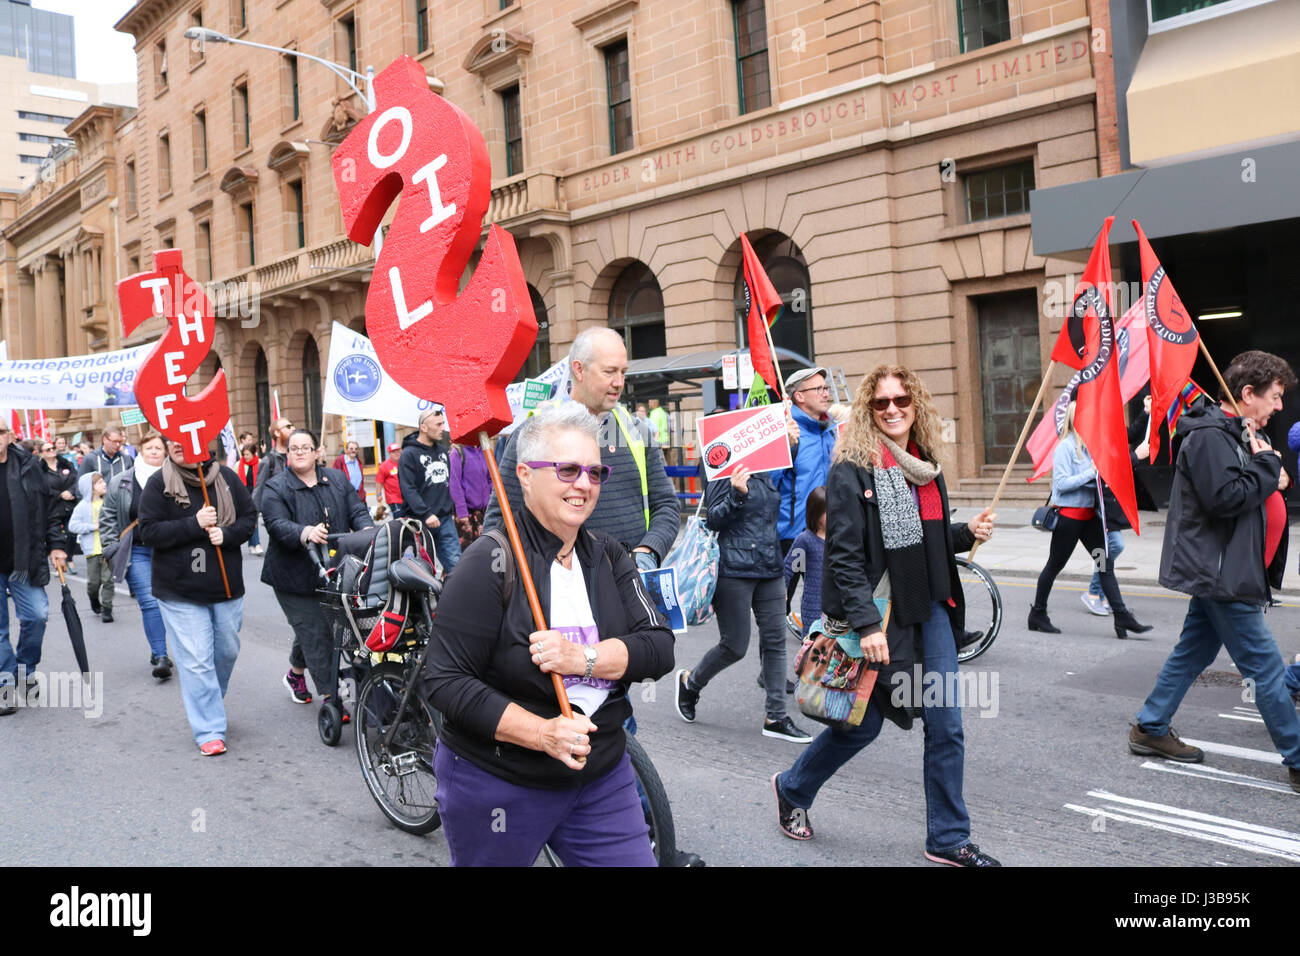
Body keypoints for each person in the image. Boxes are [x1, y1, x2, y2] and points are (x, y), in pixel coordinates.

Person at [770, 364, 1001, 866]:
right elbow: (845, 558)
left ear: (915, 405)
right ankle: (792, 787)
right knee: (861, 726)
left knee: (946, 725)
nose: (893, 409)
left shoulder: (924, 464)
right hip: (881, 618)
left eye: (902, 400)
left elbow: (928, 540)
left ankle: (947, 837)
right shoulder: (852, 470)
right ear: (869, 412)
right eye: (881, 403)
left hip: (931, 612)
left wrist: (967, 533)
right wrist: (868, 627)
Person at [424, 403, 675, 866]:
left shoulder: (609, 555)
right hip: (500, 782)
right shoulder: (489, 563)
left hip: (601, 777)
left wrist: (582, 658)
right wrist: (543, 734)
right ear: (524, 475)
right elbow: (444, 680)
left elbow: (658, 647)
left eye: (594, 472)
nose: (583, 484)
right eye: (567, 469)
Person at [1130, 350, 1300, 793]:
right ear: (1247, 394)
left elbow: (1249, 489)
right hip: (1223, 575)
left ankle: (1150, 726)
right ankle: (1298, 756)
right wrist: (1269, 467)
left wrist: (1270, 470)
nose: (1279, 407)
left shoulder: (1235, 433)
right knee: (1264, 667)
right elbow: (1225, 497)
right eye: (1275, 397)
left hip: (1230, 568)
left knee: (1194, 652)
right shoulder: (1209, 437)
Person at [484, 327, 681, 571]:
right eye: (609, 372)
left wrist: (649, 551)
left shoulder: (636, 431)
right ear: (579, 369)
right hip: (560, 590)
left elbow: (667, 505)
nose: (619, 382)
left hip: (629, 585)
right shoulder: (534, 432)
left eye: (623, 372)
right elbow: (500, 520)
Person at [674, 462, 814, 743]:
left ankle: (775, 716)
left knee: (775, 641)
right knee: (735, 645)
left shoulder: (766, 465)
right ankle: (690, 683)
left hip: (770, 568)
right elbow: (713, 519)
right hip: (734, 569)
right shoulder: (723, 464)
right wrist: (736, 494)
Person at [137, 439, 257, 755]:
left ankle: (208, 700)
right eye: (170, 442)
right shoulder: (159, 483)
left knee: (226, 652)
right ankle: (209, 729)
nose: (176, 446)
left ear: (201, 443)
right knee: (198, 662)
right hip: (180, 591)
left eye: (183, 440)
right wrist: (195, 524)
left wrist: (227, 534)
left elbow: (248, 518)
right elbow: (148, 532)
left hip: (226, 588)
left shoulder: (227, 479)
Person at [261, 428, 373, 710]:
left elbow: (356, 510)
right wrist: (304, 531)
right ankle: (331, 696)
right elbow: (276, 523)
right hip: (292, 577)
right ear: (287, 455)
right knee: (315, 630)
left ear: (317, 452)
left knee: (312, 627)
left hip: (333, 571)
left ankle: (295, 675)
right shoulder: (276, 487)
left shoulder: (335, 479)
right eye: (294, 448)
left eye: (305, 447)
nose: (299, 452)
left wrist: (367, 530)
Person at [1028, 402, 1151, 639]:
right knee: (1054, 566)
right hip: (1069, 519)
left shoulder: (1092, 447)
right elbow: (1061, 485)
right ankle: (1038, 614)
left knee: (1105, 565)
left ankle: (1121, 616)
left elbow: (1109, 469)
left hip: (1089, 519)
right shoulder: (1065, 447)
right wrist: (1092, 472)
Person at [0, 421, 67, 715]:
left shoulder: (29, 466)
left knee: (37, 615)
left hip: (23, 559)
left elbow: (50, 508)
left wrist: (56, 544)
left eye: (0, 431)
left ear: (11, 436)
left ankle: (27, 669)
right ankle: (5, 682)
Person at [101, 431, 172, 680]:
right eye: (148, 447)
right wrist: (112, 547)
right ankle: (161, 654)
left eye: (158, 448)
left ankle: (169, 647)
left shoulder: (176, 479)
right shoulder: (121, 481)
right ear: (140, 451)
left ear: (165, 453)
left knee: (172, 602)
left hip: (169, 551)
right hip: (137, 551)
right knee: (150, 602)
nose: (153, 451)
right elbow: (108, 516)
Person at [1083, 395, 1152, 616]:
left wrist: (1146, 412)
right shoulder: (1094, 434)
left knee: (1108, 549)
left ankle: (1100, 593)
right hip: (1098, 504)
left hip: (1108, 504)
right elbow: (1107, 467)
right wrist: (1135, 456)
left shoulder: (1109, 428)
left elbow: (1128, 434)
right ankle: (1094, 593)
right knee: (1111, 548)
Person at [775, 367, 838, 558]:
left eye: (826, 388)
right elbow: (766, 482)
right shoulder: (785, 431)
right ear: (800, 396)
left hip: (828, 530)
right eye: (818, 389)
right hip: (791, 535)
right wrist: (784, 447)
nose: (826, 393)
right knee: (785, 588)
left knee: (820, 588)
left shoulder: (831, 429)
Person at [398, 407, 460, 574]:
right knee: (423, 570)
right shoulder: (409, 454)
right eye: (438, 425)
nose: (443, 429)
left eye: (443, 424)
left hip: (445, 520)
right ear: (423, 427)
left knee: (457, 566)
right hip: (420, 522)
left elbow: (447, 484)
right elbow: (408, 489)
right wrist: (426, 513)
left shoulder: (442, 451)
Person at [68, 473, 114, 622]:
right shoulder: (82, 506)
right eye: (99, 482)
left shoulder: (108, 503)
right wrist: (92, 527)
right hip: (92, 550)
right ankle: (94, 599)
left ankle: (107, 609)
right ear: (90, 488)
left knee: (108, 580)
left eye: (103, 481)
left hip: (108, 548)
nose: (104, 484)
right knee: (94, 583)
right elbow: (72, 526)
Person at [783, 485, 827, 637]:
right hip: (813, 606)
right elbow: (790, 568)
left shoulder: (840, 538)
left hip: (836, 606)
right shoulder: (805, 540)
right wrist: (783, 589)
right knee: (812, 648)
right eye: (827, 512)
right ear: (815, 513)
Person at [40, 440, 78, 573]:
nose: (52, 451)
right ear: (41, 454)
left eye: (53, 448)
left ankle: (69, 558)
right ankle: (58, 558)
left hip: (70, 504)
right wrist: (60, 494)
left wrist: (71, 492)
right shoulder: (40, 470)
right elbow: (43, 488)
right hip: (53, 506)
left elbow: (76, 479)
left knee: (72, 533)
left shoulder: (66, 463)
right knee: (55, 533)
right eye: (48, 449)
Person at [449, 441, 491, 550]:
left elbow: (491, 479)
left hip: (484, 512)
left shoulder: (485, 450)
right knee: (468, 551)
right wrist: (462, 512)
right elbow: (454, 484)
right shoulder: (457, 452)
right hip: (466, 513)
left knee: (485, 549)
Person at [252, 417, 293, 511]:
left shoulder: (296, 456)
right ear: (277, 433)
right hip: (277, 512)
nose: (293, 429)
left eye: (292, 426)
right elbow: (259, 492)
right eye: (288, 427)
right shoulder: (268, 461)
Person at [236, 443, 262, 554]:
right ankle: (253, 544)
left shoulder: (260, 463)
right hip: (244, 496)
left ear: (253, 454)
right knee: (251, 519)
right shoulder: (238, 464)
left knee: (254, 519)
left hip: (256, 495)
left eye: (247, 454)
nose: (245, 457)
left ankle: (256, 544)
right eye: (243, 454)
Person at [332, 440, 367, 504]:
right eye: (351, 448)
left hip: (359, 495)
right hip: (346, 496)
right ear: (346, 450)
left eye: (356, 449)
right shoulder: (340, 461)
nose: (354, 450)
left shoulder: (358, 462)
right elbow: (334, 477)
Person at [375, 442, 404, 518]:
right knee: (399, 518)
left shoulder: (404, 463)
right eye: (394, 452)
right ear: (389, 454)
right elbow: (379, 481)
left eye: (398, 451)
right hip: (394, 499)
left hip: (406, 497)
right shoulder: (384, 466)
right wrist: (378, 495)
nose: (396, 453)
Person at [647, 398, 672, 464]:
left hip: (659, 441)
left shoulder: (655, 414)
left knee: (659, 462)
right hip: (665, 440)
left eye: (650, 402)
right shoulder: (663, 412)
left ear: (654, 403)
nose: (648, 404)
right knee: (665, 460)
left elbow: (653, 429)